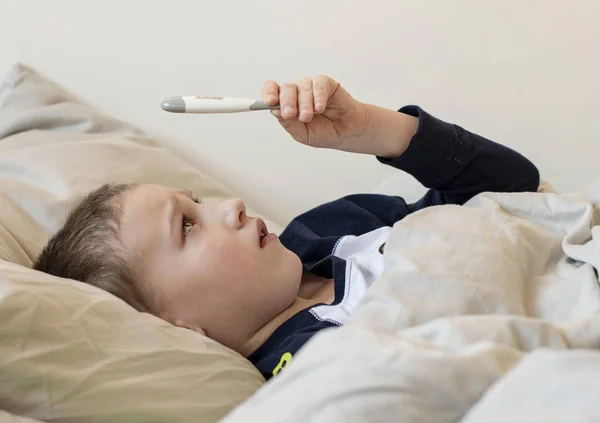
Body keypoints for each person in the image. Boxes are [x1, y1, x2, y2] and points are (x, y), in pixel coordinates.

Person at [33, 75, 540, 380]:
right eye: (187, 227)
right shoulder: (297, 373)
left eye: (199, 202)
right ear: (177, 328)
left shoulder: (334, 228)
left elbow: (516, 188)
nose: (229, 206)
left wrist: (372, 129)